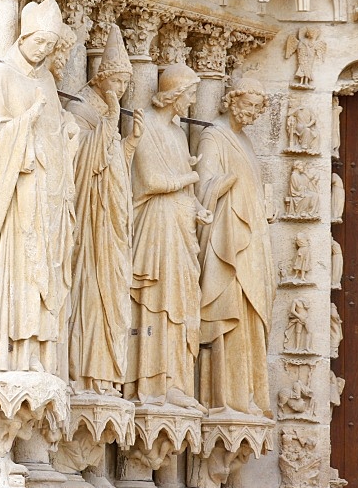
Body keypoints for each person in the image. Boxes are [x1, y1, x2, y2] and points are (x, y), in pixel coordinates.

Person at [0, 0, 77, 375]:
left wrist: (64, 128)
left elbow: (52, 125)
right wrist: (25, 125)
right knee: (22, 269)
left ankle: (37, 350)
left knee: (45, 272)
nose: (45, 51)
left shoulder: (47, 79)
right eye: (40, 43)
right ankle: (12, 351)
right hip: (20, 191)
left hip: (48, 192)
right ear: (24, 35)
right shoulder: (2, 74)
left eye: (51, 46)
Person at [126, 63, 208, 411]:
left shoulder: (176, 133)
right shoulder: (145, 126)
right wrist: (190, 178)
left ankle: (176, 382)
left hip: (180, 226)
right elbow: (151, 180)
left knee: (182, 302)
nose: (192, 102)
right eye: (190, 94)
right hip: (156, 228)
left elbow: (176, 182)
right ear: (174, 94)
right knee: (159, 302)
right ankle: (152, 383)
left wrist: (196, 206)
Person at [66, 26, 142, 393]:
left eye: (127, 84)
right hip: (89, 218)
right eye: (118, 81)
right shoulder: (81, 107)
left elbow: (112, 165)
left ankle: (107, 373)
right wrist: (108, 124)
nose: (122, 90)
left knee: (111, 289)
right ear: (101, 77)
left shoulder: (108, 111)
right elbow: (78, 162)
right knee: (91, 291)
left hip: (109, 220)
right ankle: (85, 371)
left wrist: (129, 142)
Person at [197, 77, 274, 417]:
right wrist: (225, 185)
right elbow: (203, 187)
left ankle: (248, 395)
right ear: (232, 100)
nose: (253, 113)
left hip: (252, 240)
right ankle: (226, 398)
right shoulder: (213, 136)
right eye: (249, 105)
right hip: (226, 241)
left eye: (258, 108)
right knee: (231, 310)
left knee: (250, 314)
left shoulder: (244, 142)